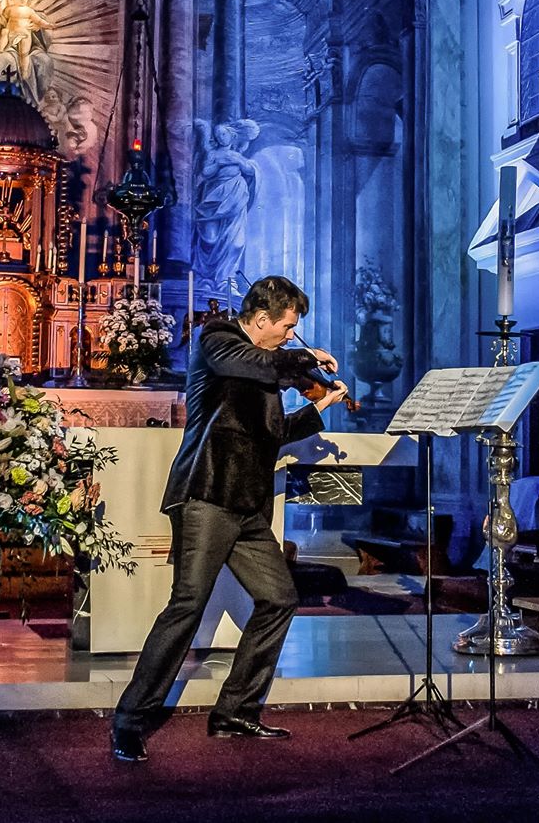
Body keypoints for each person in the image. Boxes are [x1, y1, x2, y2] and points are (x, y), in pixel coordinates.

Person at [110, 275, 343, 763]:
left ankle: (235, 711)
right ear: (261, 320)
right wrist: (306, 359)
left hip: (247, 506)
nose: (289, 334)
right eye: (287, 326)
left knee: (279, 598)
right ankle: (130, 721)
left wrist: (317, 405)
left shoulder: (266, 371)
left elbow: (270, 435)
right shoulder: (218, 339)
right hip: (207, 494)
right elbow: (263, 362)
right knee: (187, 606)